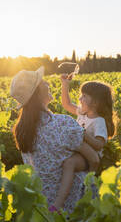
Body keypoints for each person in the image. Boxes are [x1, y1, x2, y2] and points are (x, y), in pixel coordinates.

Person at [10, 67, 98, 213]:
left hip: (42, 208)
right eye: (42, 81)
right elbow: (94, 159)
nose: (47, 82)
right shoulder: (62, 123)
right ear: (37, 93)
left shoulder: (22, 130)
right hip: (74, 208)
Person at [52, 73, 116, 210]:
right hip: (78, 150)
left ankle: (58, 203)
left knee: (69, 164)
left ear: (96, 102)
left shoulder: (99, 121)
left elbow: (99, 145)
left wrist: (83, 134)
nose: (80, 98)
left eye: (84, 96)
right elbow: (66, 104)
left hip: (89, 156)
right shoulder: (82, 113)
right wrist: (65, 84)